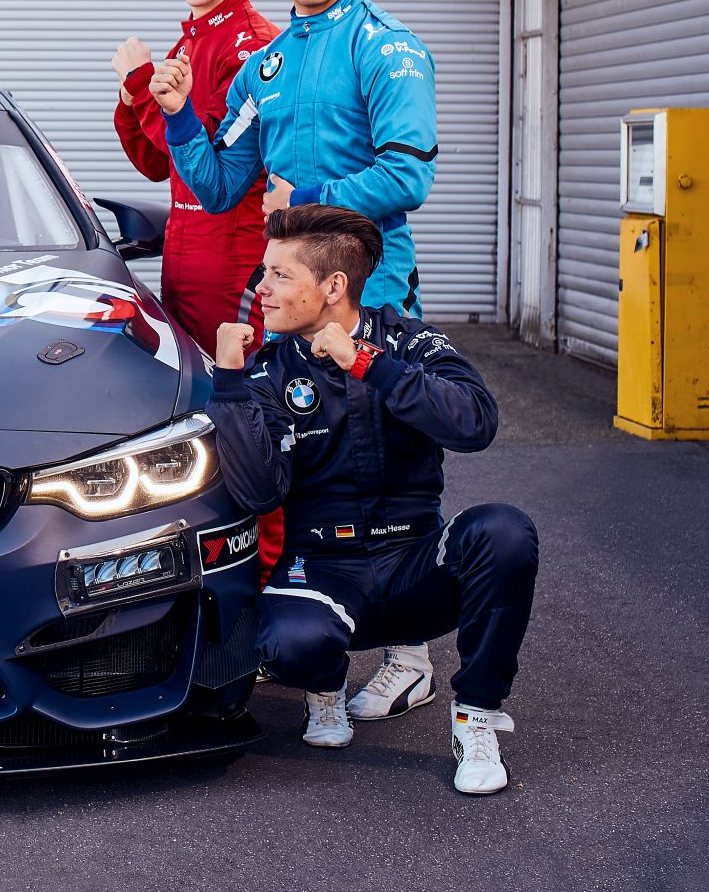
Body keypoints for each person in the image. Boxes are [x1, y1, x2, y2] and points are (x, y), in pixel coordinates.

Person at [149, 0, 440, 713]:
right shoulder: (266, 67)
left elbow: (407, 175)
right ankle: (323, 658)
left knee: (390, 473)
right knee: (308, 469)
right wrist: (179, 116)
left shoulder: (389, 49)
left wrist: (307, 196)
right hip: (287, 300)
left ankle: (412, 654)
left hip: (373, 293)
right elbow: (216, 183)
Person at [207, 205, 538, 795]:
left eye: (280, 274)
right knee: (287, 645)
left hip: (415, 567)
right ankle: (325, 690)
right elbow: (259, 492)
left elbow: (476, 423)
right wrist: (229, 382)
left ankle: (476, 719)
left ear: (334, 286)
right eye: (265, 271)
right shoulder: (267, 371)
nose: (262, 288)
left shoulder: (409, 342)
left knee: (505, 532)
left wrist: (366, 363)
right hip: (324, 569)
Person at [110, 0, 282, 577]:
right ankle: (206, 571)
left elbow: (210, 171)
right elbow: (158, 162)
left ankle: (267, 589)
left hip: (234, 271)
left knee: (248, 424)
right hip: (184, 269)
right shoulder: (191, 39)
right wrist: (136, 101)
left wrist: (141, 89)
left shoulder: (251, 47)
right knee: (196, 431)